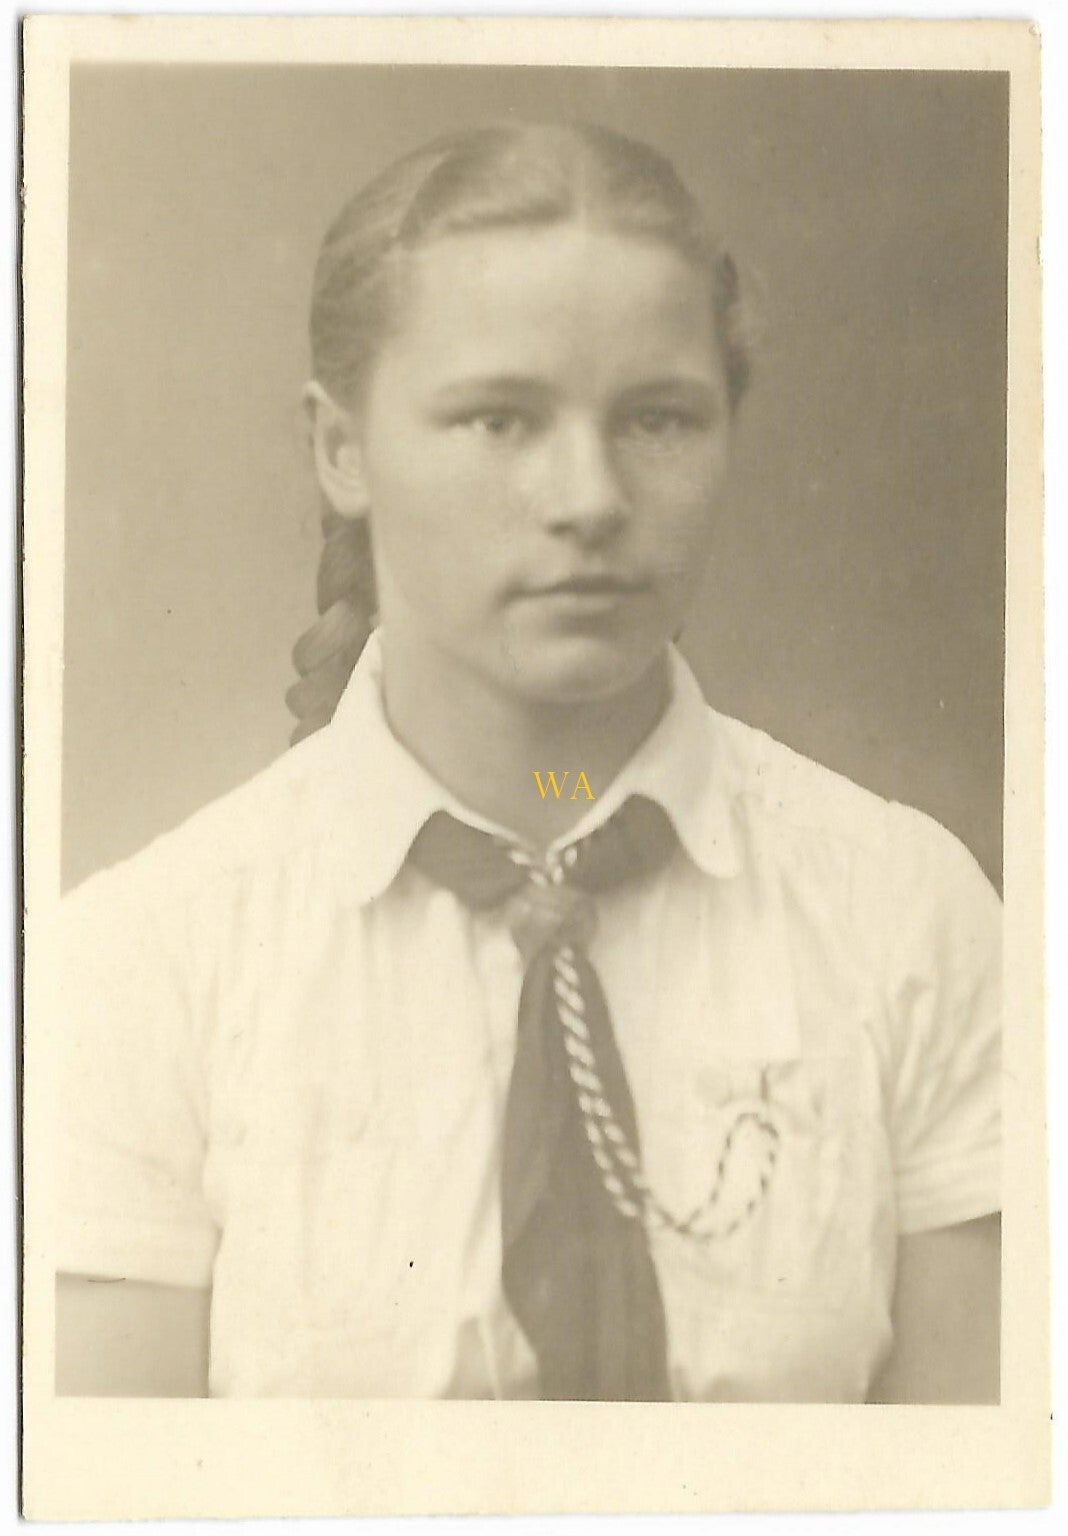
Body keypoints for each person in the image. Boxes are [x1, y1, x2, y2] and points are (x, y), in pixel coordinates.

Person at [55, 121, 1001, 1402]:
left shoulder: (907, 917)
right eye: (500, 418)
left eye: (659, 418)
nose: (589, 496)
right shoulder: (141, 964)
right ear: (341, 450)